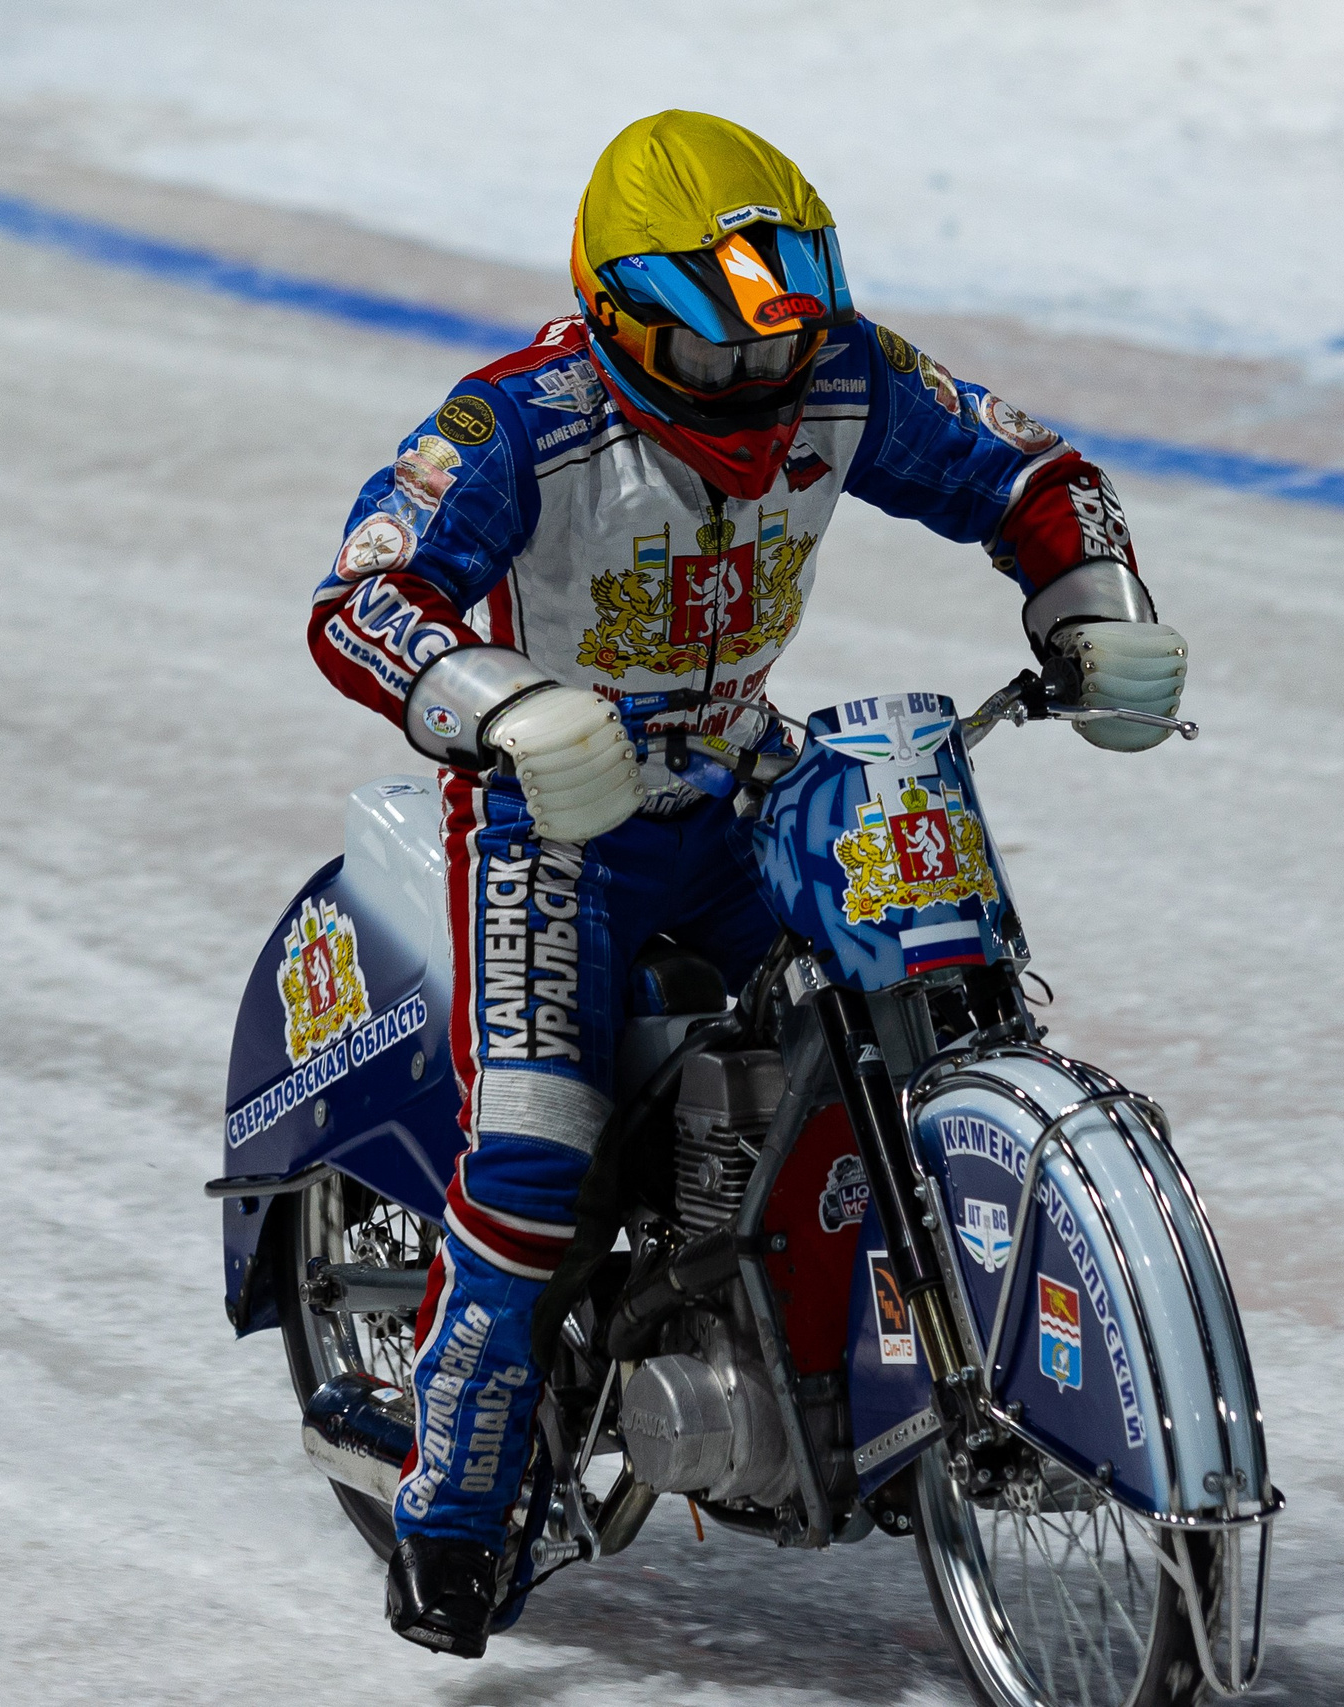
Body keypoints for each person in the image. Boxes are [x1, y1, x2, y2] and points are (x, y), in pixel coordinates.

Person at [306, 110, 1187, 1657]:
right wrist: (506, 707)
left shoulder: (836, 370)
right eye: (714, 358)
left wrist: (1089, 602)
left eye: (777, 347)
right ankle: (451, 1515)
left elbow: (1036, 468)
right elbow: (365, 599)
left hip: (740, 779)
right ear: (621, 315)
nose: (756, 389)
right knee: (531, 1160)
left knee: (917, 996)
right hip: (549, 828)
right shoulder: (518, 423)